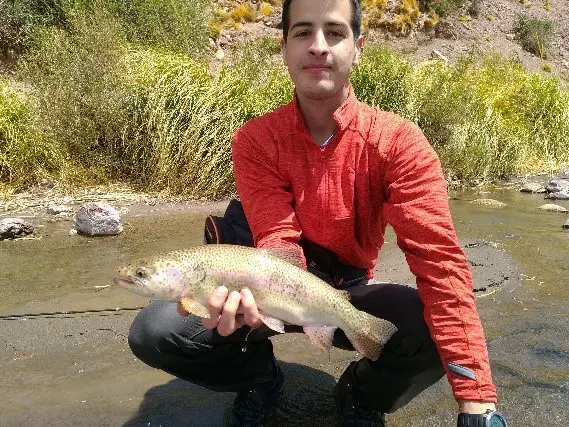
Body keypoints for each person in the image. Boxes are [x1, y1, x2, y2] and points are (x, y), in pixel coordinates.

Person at [128, 0, 508, 426]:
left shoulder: (400, 143)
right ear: (285, 48)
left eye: (335, 32)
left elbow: (440, 263)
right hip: (269, 289)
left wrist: (476, 400)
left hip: (347, 294)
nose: (318, 46)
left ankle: (362, 394)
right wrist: (243, 300)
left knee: (437, 328)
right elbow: (277, 240)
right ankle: (258, 380)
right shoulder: (255, 140)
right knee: (156, 331)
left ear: (358, 47)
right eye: (303, 32)